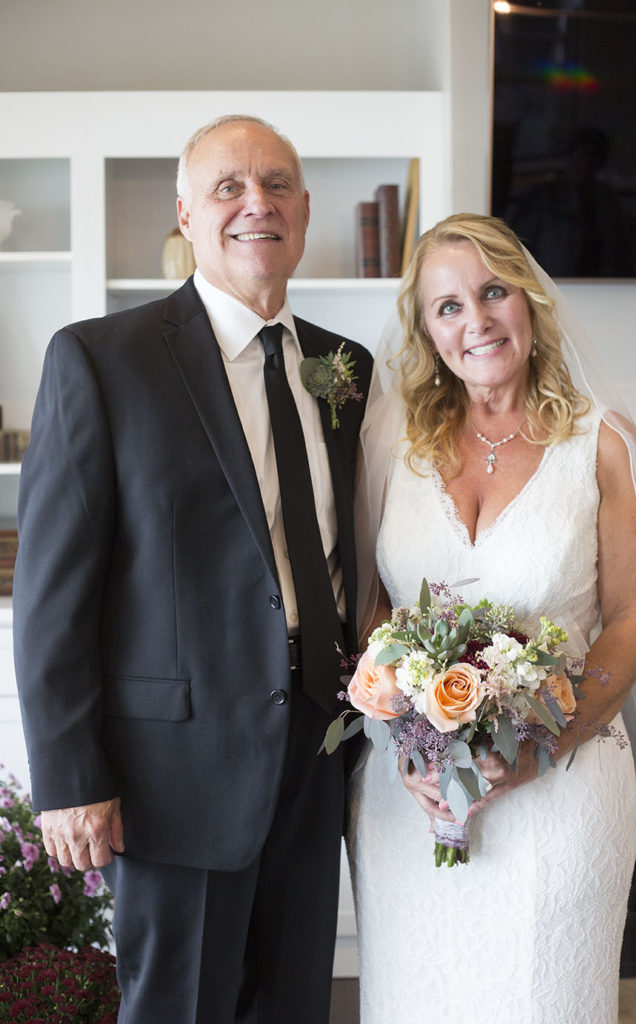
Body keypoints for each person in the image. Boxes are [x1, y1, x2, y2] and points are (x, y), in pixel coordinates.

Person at [13, 114, 372, 1023]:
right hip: (173, 771)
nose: (258, 204)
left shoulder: (344, 367)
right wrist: (69, 779)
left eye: (278, 184)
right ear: (185, 212)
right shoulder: (102, 359)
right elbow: (53, 594)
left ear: (302, 207)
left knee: (292, 1006)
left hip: (317, 755)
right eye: (229, 187)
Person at [346, 213, 636, 1023]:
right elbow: (375, 604)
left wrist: (544, 741)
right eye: (448, 306)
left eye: (493, 292)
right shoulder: (393, 441)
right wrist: (409, 738)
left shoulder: (598, 442)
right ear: (426, 331)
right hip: (413, 799)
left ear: (528, 300)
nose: (477, 320)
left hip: (558, 795)